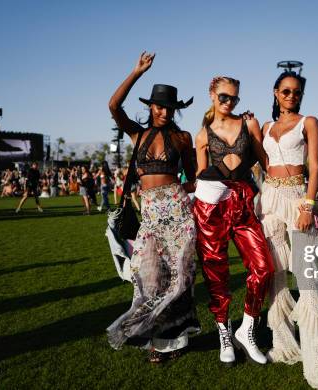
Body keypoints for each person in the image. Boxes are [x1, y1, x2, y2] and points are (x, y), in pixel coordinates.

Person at [259, 71, 318, 389]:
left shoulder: (308, 121)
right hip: (269, 197)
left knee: (306, 275)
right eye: (286, 91)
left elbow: (314, 166)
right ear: (275, 93)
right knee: (276, 274)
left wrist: (309, 204)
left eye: (296, 92)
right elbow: (258, 163)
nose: (291, 96)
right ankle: (284, 346)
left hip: (298, 198)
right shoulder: (265, 127)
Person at [106, 52, 199, 363]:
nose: (164, 111)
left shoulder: (183, 138)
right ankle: (148, 333)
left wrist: (176, 192)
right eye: (159, 106)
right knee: (150, 278)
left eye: (169, 107)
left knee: (180, 277)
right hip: (150, 217)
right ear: (151, 106)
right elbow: (113, 106)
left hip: (177, 213)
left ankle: (168, 343)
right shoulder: (139, 134)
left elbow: (194, 178)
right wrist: (136, 72)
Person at [193, 76, 274, 365]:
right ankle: (223, 333)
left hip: (242, 205)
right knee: (216, 274)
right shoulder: (201, 135)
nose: (229, 103)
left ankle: (247, 330)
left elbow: (264, 161)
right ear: (212, 94)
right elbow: (200, 174)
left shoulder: (248, 123)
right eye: (224, 97)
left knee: (263, 268)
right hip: (210, 208)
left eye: (234, 98)